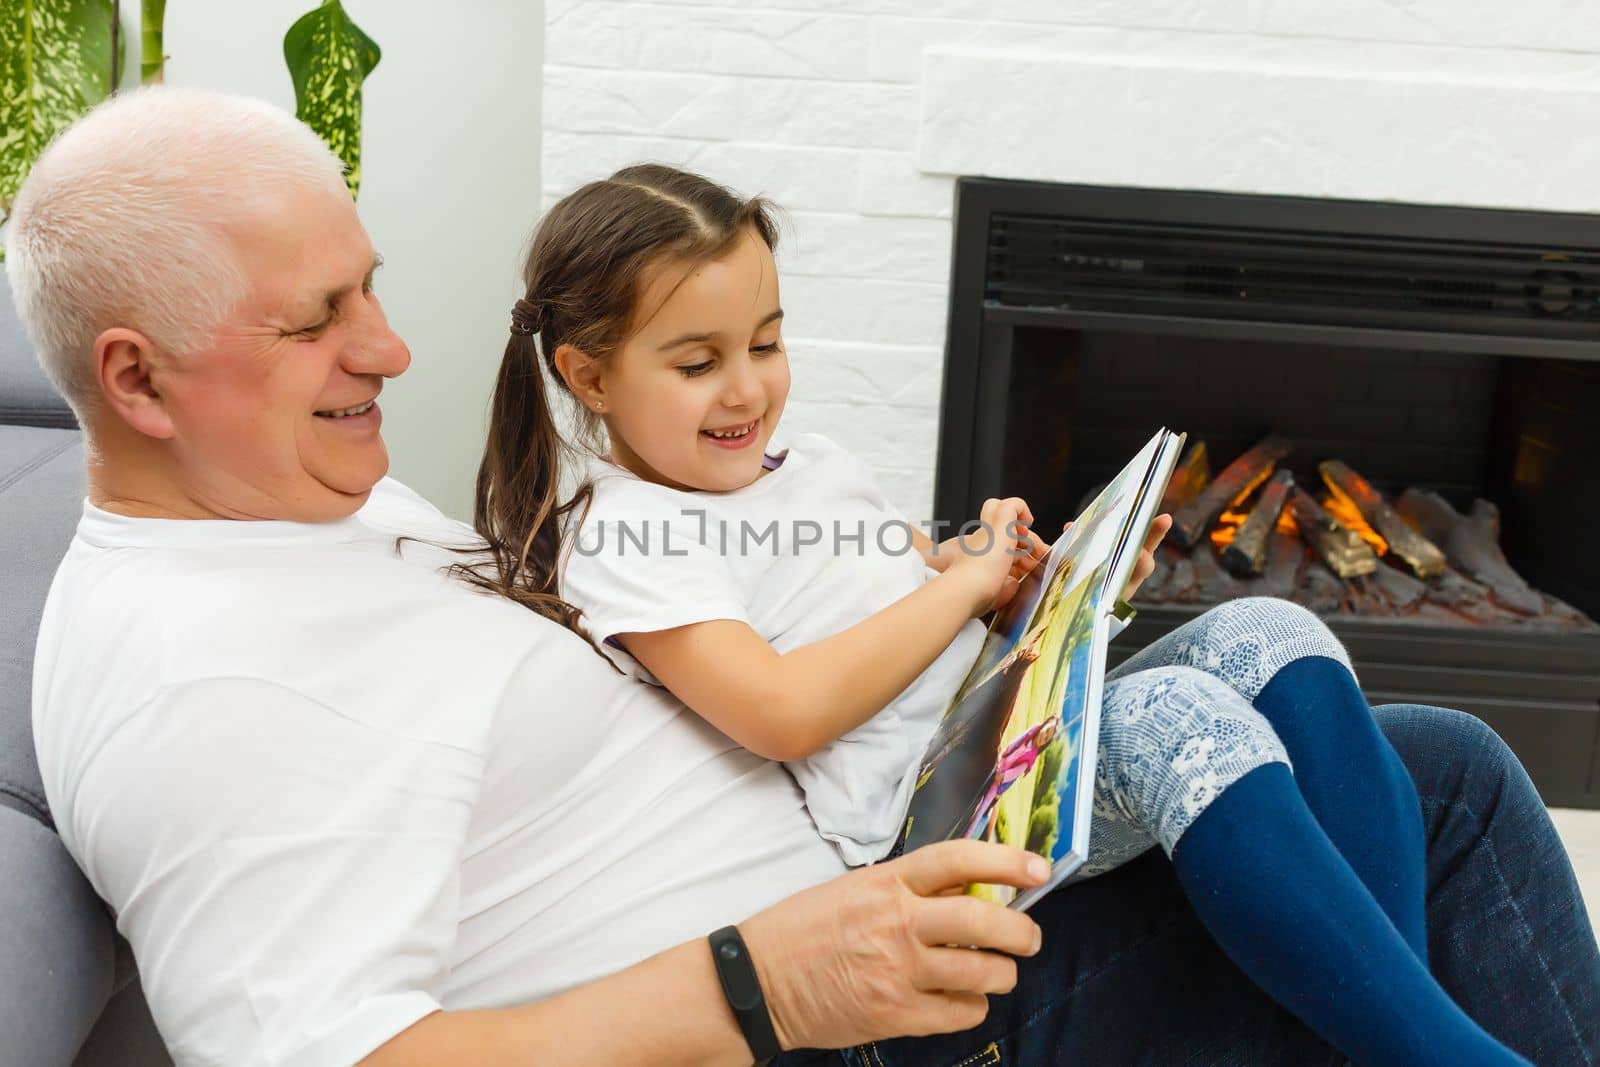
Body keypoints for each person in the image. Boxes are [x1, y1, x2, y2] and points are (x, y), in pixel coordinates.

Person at [7, 87, 1593, 1067]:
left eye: (372, 288)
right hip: (842, 1023)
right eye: (319, 322)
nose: (392, 349)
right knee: (1411, 810)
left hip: (877, 907)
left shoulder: (292, 499)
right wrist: (762, 981)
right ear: (140, 382)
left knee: (1424, 753)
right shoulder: (199, 688)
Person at [470, 164, 1534, 1065]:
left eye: (766, 342)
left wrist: (1023, 586)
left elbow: (881, 609)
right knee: (1174, 719)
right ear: (587, 374)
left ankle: (1391, 1031)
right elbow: (780, 710)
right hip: (911, 827)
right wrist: (955, 587)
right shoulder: (622, 527)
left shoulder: (807, 468)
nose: (746, 389)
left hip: (991, 723)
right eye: (698, 363)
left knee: (1279, 633)